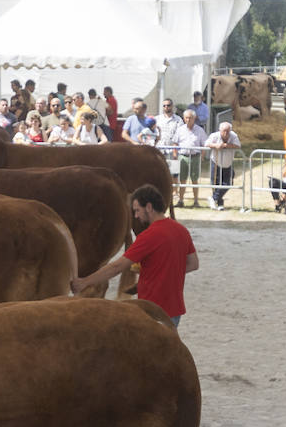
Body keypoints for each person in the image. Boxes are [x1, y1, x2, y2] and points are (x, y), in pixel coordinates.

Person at [69, 184, 198, 327]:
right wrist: (164, 269)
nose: (136, 216)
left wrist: (85, 282)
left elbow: (117, 267)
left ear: (149, 207)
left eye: (137, 210)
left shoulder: (149, 236)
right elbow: (193, 264)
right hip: (175, 309)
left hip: (152, 309)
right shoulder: (182, 230)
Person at [172, 109, 206, 208]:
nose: (188, 120)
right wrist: (175, 155)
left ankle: (196, 201)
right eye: (186, 118)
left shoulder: (200, 130)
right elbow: (175, 143)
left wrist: (202, 157)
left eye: (190, 118)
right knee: (182, 180)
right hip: (183, 156)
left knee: (195, 180)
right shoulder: (180, 130)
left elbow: (204, 144)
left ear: (194, 118)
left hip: (195, 157)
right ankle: (181, 200)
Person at [204, 121, 240, 210]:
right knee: (216, 183)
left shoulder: (233, 136)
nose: (225, 133)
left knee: (228, 183)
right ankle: (219, 203)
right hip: (216, 162)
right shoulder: (214, 135)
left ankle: (213, 198)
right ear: (220, 130)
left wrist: (225, 145)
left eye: (227, 131)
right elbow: (206, 144)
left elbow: (238, 145)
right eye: (224, 131)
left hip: (228, 164)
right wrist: (215, 145)